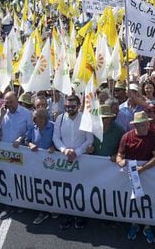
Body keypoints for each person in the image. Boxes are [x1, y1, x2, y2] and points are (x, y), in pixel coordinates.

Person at [116, 111, 155, 244]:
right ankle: (135, 224)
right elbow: (119, 155)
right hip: (132, 174)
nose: (146, 126)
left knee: (148, 199)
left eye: (146, 124)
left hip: (148, 173)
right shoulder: (126, 137)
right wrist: (120, 162)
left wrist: (143, 169)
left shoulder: (153, 136)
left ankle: (147, 226)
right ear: (135, 125)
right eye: (142, 125)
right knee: (134, 200)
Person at [53, 94, 94, 230]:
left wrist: (76, 152)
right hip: (64, 158)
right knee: (65, 188)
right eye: (67, 106)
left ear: (78, 106)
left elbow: (89, 140)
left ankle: (80, 215)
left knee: (80, 188)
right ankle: (67, 214)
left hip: (80, 159)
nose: (70, 108)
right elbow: (56, 137)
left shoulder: (85, 119)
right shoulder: (60, 118)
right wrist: (65, 150)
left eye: (73, 106)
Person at [0, 91, 33, 220]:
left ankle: (21, 203)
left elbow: (31, 130)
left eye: (11, 102)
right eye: (6, 102)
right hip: (5, 152)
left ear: (17, 101)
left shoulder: (26, 113)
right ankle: (8, 205)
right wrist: (1, 116)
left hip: (20, 151)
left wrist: (21, 139)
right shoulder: (1, 112)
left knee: (19, 178)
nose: (9, 104)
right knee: (7, 178)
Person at [15, 108, 55, 225]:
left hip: (49, 163)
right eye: (37, 118)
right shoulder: (32, 127)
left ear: (46, 119)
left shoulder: (53, 127)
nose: (40, 121)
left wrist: (53, 146)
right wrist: (30, 144)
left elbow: (58, 140)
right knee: (37, 185)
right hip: (35, 164)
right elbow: (27, 140)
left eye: (42, 118)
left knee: (49, 186)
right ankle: (41, 210)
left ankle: (51, 208)